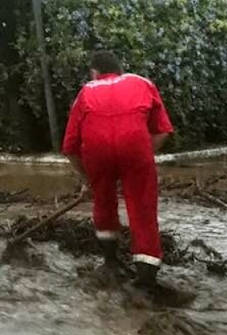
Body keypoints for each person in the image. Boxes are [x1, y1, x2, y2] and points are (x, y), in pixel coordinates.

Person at [61, 50, 173, 289]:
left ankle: (110, 262)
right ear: (119, 69)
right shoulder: (142, 83)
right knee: (142, 207)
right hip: (136, 147)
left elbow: (70, 147)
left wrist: (87, 178)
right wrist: (139, 155)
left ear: (94, 72)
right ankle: (146, 277)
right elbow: (163, 130)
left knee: (103, 201)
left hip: (97, 151)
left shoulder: (86, 91)